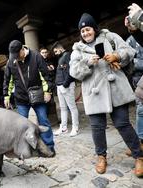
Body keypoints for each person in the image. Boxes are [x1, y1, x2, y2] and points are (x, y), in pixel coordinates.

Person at [69, 12, 143, 177]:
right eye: (82, 31)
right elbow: (73, 72)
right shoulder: (77, 49)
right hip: (94, 93)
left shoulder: (110, 37)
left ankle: (139, 155)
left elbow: (129, 51)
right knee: (97, 127)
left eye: (88, 29)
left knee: (123, 124)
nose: (86, 33)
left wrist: (117, 55)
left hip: (116, 88)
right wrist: (87, 62)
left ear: (94, 28)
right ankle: (101, 156)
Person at [3, 40, 55, 153]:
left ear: (22, 49)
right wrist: (6, 96)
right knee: (21, 125)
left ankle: (49, 146)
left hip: (37, 95)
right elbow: (8, 80)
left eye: (18, 55)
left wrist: (48, 91)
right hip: (21, 98)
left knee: (43, 121)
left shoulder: (36, 56)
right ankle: (24, 147)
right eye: (14, 56)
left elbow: (46, 75)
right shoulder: (11, 61)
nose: (16, 58)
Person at [51, 42, 79, 137]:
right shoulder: (61, 57)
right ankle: (63, 128)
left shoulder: (67, 55)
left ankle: (75, 127)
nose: (55, 53)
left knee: (72, 107)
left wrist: (65, 84)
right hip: (60, 86)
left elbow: (71, 71)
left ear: (60, 48)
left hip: (66, 85)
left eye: (55, 51)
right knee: (63, 108)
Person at [124, 16, 143, 155]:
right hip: (137, 78)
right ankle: (141, 141)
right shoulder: (130, 40)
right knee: (140, 110)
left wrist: (135, 62)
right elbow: (126, 58)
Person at [39, 47, 59, 126]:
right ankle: (45, 122)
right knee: (45, 104)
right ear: (40, 53)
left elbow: (53, 72)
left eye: (45, 52)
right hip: (43, 86)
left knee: (52, 103)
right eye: (43, 52)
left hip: (51, 84)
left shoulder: (50, 61)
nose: (44, 54)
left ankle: (53, 121)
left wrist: (51, 69)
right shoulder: (39, 62)